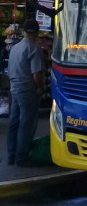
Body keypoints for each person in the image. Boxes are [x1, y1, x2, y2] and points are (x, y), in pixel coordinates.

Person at [6, 19, 45, 167]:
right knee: (26, 123)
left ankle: (11, 155)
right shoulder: (34, 48)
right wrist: (40, 88)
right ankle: (21, 157)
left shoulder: (15, 48)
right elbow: (37, 74)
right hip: (27, 89)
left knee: (14, 122)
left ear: (23, 32)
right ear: (36, 33)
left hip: (14, 88)